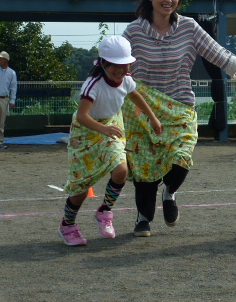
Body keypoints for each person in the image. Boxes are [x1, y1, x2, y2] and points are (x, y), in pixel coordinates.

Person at [122, 0, 236, 237]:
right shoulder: (134, 31)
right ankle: (143, 218)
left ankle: (169, 193)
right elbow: (115, 63)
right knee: (144, 167)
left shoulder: (189, 27)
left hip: (180, 105)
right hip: (141, 109)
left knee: (182, 158)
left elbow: (215, 51)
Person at [58, 35, 163, 246]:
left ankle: (105, 211)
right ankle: (67, 225)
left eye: (125, 66)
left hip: (111, 127)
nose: (121, 71)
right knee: (80, 188)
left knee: (121, 170)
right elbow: (82, 116)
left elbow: (135, 95)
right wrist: (103, 129)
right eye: (116, 66)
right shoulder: (93, 85)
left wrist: (152, 117)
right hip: (86, 132)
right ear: (104, 63)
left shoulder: (126, 80)